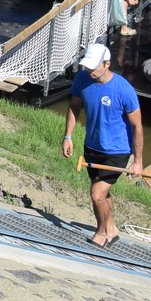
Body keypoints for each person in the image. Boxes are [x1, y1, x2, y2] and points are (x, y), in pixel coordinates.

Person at [63, 42, 143, 248]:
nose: (89, 70)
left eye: (93, 66)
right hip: (92, 146)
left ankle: (101, 233)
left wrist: (138, 161)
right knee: (103, 193)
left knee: (96, 194)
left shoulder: (124, 90)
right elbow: (73, 107)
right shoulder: (82, 79)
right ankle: (112, 229)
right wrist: (68, 136)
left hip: (117, 150)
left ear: (107, 64)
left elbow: (137, 127)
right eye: (87, 65)